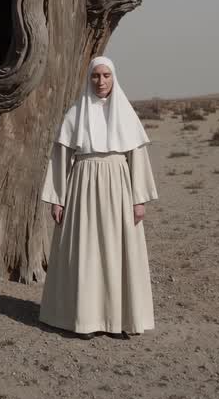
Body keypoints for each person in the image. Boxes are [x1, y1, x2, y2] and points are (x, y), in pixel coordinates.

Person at [39, 56, 158, 337]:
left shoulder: (126, 114)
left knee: (118, 252)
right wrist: (58, 198)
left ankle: (118, 321)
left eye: (106, 75)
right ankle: (85, 320)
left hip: (119, 188)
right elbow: (61, 158)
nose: (101, 81)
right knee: (86, 252)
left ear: (113, 78)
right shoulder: (75, 114)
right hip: (82, 188)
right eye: (95, 76)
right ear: (89, 78)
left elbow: (137, 158)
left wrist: (139, 199)